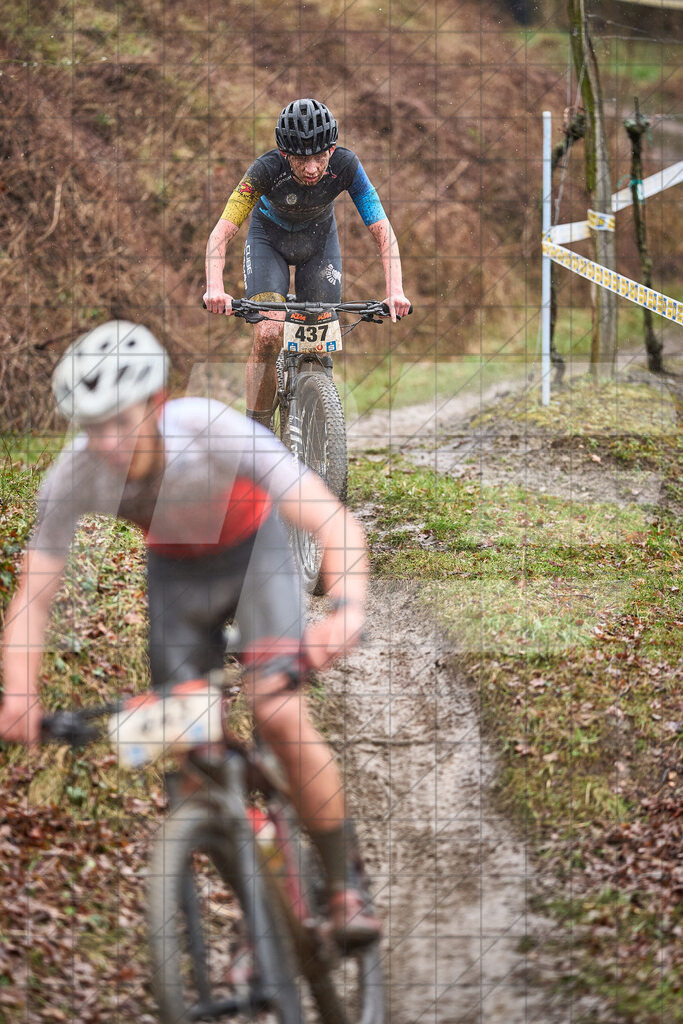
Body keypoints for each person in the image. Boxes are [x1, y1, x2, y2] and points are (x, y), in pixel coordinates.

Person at [0, 319, 380, 946]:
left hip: (252, 554)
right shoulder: (74, 475)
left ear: (157, 404)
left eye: (121, 423)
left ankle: (344, 884)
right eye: (93, 429)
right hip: (177, 571)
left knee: (278, 714)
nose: (108, 444)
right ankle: (260, 928)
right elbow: (33, 597)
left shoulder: (208, 429)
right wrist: (20, 697)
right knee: (187, 750)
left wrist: (346, 610)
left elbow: (334, 523)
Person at [204, 97, 411, 426]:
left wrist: (395, 291)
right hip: (267, 242)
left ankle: (317, 436)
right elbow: (220, 233)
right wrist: (215, 288)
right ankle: (257, 432)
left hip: (318, 243)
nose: (312, 168)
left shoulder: (346, 166)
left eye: (319, 156)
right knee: (269, 333)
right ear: (286, 154)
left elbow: (382, 230)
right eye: (302, 159)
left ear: (332, 148)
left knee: (319, 337)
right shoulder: (266, 169)